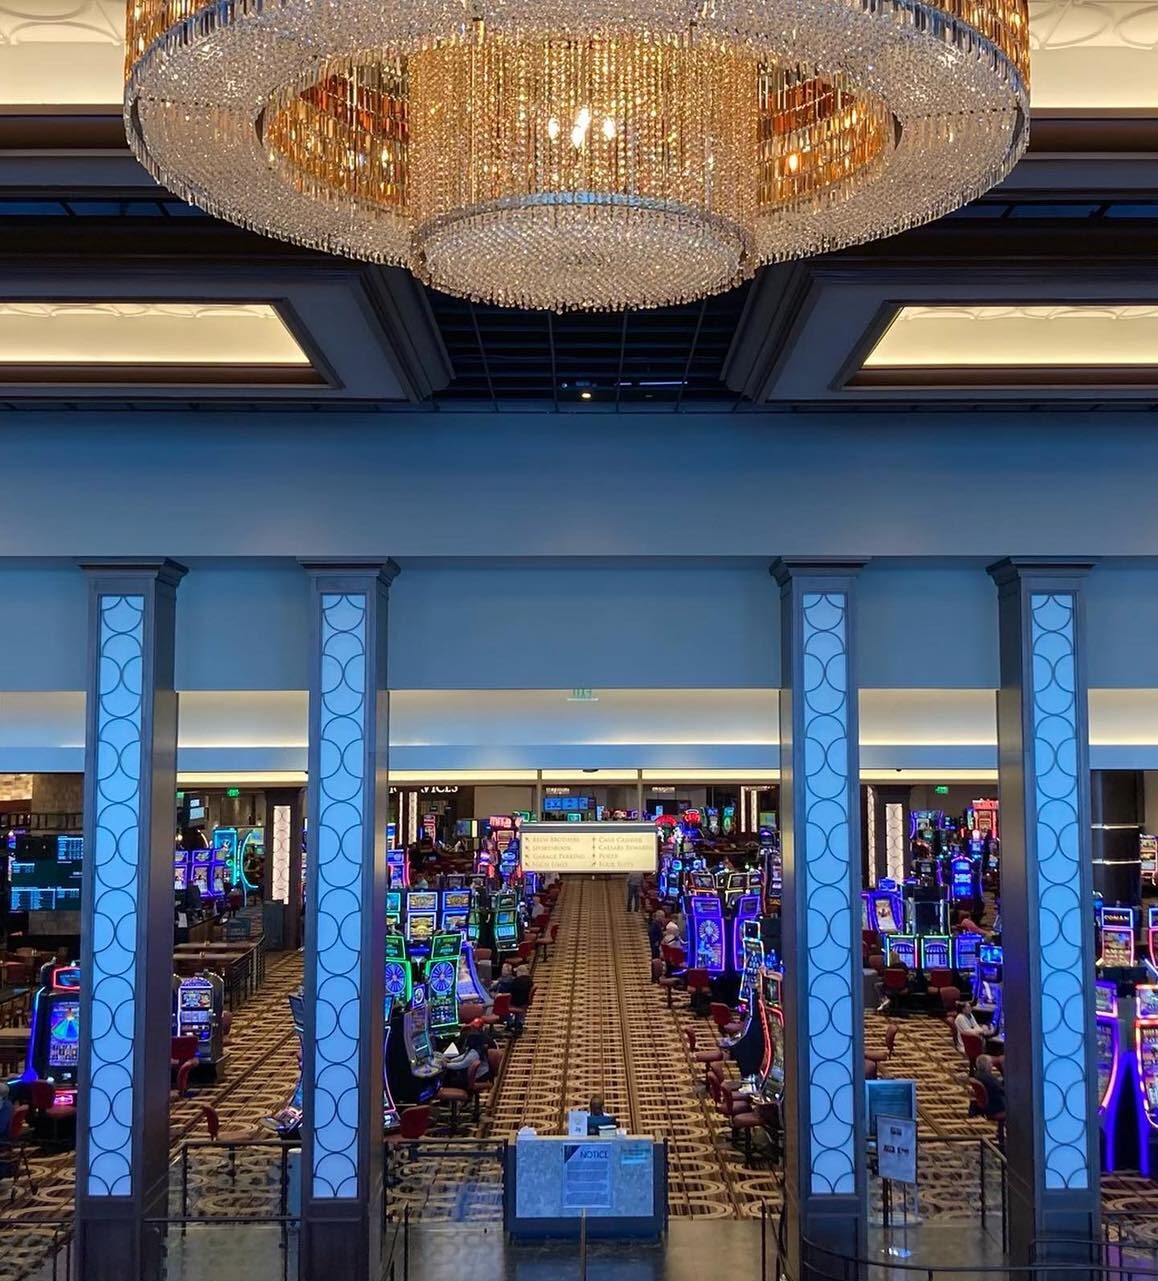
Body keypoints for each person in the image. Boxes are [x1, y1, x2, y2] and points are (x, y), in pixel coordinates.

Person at [442, 1020, 494, 1088]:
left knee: (449, 1079)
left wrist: (447, 1065)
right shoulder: (475, 1048)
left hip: (480, 1075)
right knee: (451, 1073)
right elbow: (463, 1056)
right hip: (477, 1071)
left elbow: (462, 1064)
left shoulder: (475, 1053)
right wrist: (451, 1061)